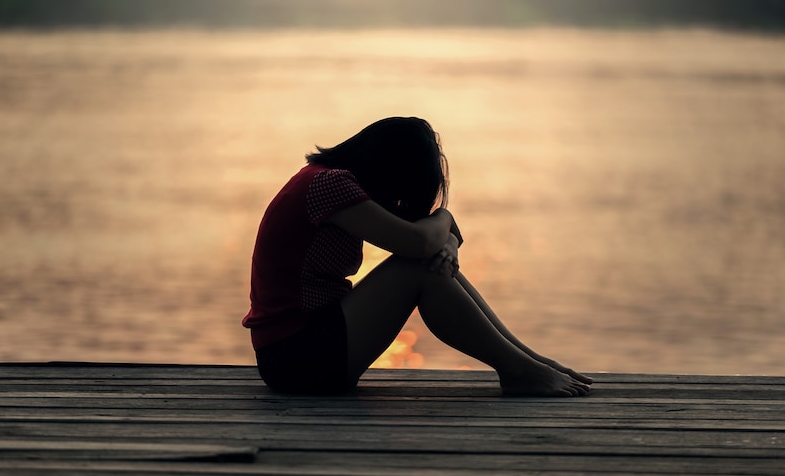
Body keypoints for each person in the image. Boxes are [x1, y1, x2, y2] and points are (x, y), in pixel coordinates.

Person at [243, 117, 592, 396]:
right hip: (295, 358)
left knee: (425, 264)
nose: (398, 201)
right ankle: (520, 370)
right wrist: (444, 217)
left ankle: (528, 362)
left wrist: (448, 244)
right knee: (416, 269)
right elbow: (419, 242)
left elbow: (429, 240)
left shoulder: (327, 182)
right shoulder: (330, 185)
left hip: (305, 350)